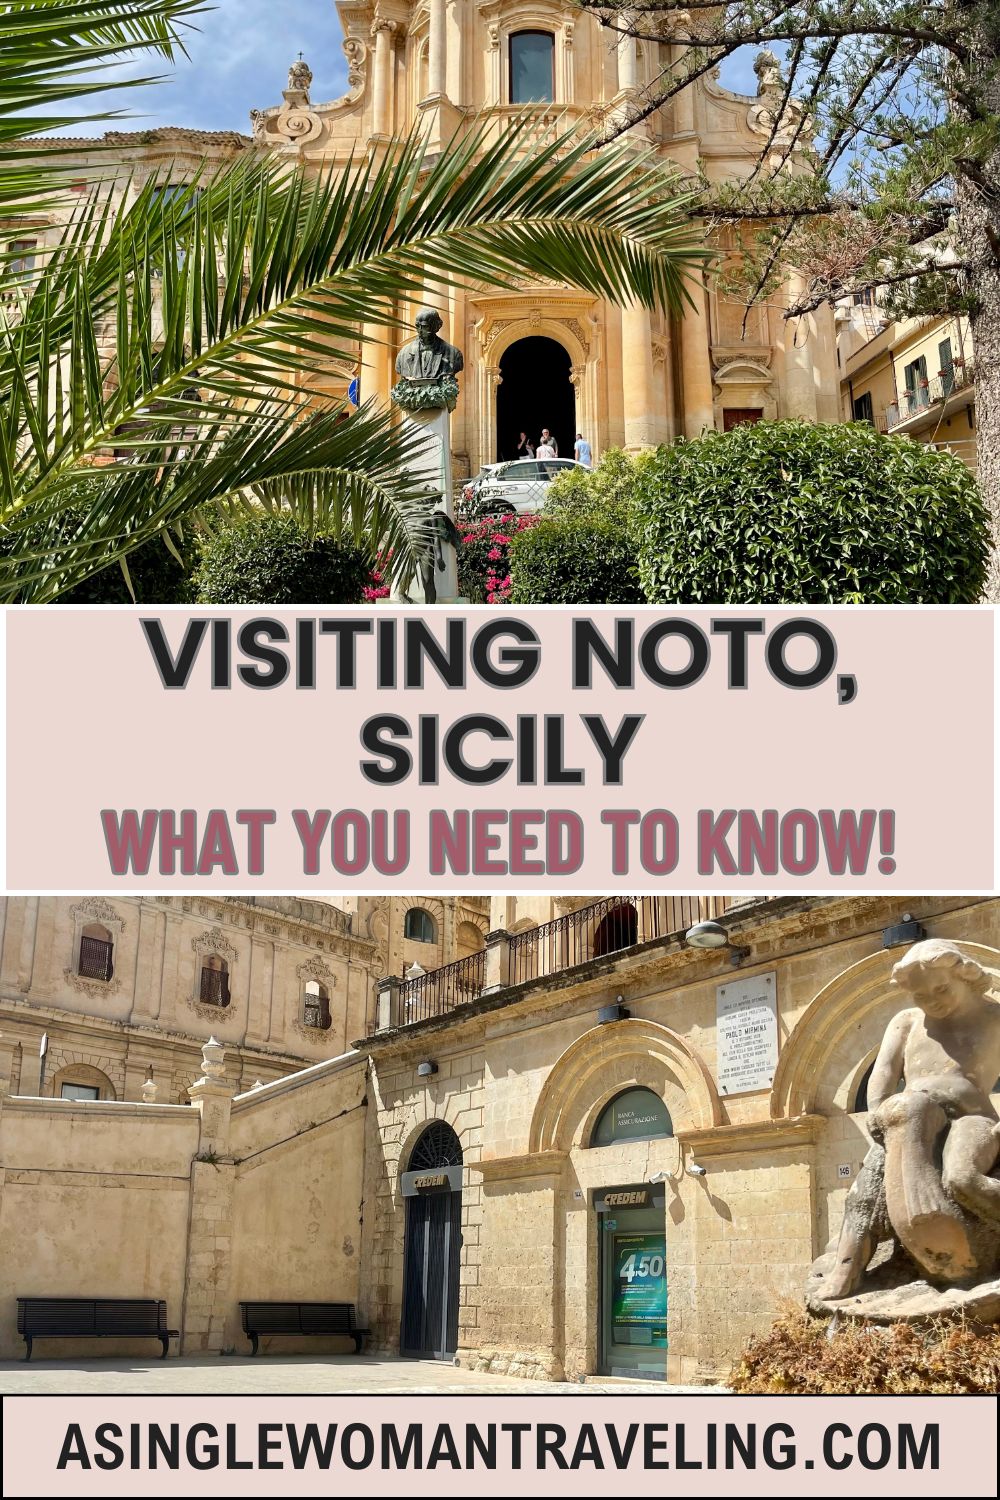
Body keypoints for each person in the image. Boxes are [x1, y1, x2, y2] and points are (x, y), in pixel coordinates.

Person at [820, 939, 1000, 1301]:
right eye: (921, 995)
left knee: (962, 1177)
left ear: (964, 976)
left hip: (971, 1118)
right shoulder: (906, 1022)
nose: (932, 1001)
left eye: (942, 989)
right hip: (908, 1117)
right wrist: (880, 1115)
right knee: (862, 1193)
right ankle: (847, 1266)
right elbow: (882, 1079)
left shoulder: (995, 1017)